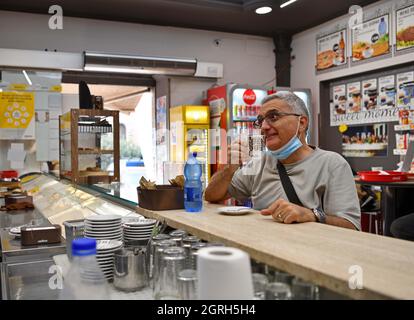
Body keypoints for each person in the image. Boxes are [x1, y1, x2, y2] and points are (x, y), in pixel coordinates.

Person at [205, 91, 360, 230]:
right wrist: (229, 168)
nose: (264, 126)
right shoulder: (260, 162)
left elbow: (351, 226)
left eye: (273, 117)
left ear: (302, 123)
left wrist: (312, 215)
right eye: (260, 120)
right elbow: (211, 196)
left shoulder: (332, 164)